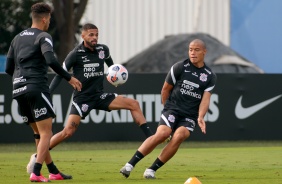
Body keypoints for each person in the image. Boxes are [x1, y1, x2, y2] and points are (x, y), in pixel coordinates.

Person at [5, 2, 82, 182]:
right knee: (47, 133)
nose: (49, 23)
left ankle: (53, 171)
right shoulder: (43, 36)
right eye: (49, 20)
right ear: (45, 19)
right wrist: (69, 78)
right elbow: (51, 60)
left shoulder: (16, 38)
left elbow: (9, 67)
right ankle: (36, 172)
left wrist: (20, 78)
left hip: (18, 89)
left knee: (39, 134)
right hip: (36, 87)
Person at [119, 39, 217, 179]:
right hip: (172, 108)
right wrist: (167, 109)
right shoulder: (179, 67)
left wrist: (201, 117)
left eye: (196, 50)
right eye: (190, 49)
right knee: (163, 134)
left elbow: (205, 99)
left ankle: (151, 170)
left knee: (179, 136)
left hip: (189, 115)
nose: (192, 53)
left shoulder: (210, 76)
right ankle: (129, 165)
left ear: (204, 52)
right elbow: (165, 90)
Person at [47, 23, 153, 149]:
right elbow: (60, 74)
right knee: (68, 132)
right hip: (82, 98)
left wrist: (115, 77)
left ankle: (151, 138)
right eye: (91, 35)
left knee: (133, 104)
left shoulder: (103, 50)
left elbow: (112, 66)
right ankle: (38, 155)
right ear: (83, 36)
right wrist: (48, 93)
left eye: (96, 35)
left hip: (99, 96)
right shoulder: (75, 54)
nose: (95, 38)